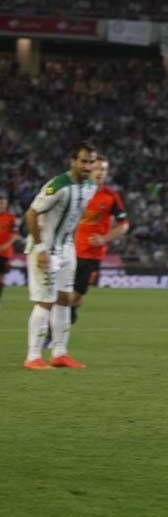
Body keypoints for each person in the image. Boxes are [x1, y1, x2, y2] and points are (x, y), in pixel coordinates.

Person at [24, 141, 98, 370]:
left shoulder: (90, 187)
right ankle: (33, 356)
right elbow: (31, 214)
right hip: (45, 249)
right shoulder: (58, 185)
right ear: (73, 162)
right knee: (46, 300)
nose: (87, 166)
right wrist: (40, 248)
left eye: (91, 162)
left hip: (67, 249)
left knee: (64, 298)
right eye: (83, 161)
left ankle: (59, 353)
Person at [72, 155, 129, 323]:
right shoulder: (76, 191)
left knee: (78, 294)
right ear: (89, 169)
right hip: (70, 251)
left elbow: (124, 225)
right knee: (63, 293)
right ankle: (54, 328)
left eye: (103, 169)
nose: (100, 172)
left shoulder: (111, 196)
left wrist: (104, 238)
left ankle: (70, 311)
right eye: (96, 168)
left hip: (92, 255)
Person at [0, 192, 18, 304]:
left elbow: (15, 235)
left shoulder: (11, 217)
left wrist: (5, 246)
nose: (2, 206)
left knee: (1, 280)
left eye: (4, 204)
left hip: (4, 253)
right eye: (1, 204)